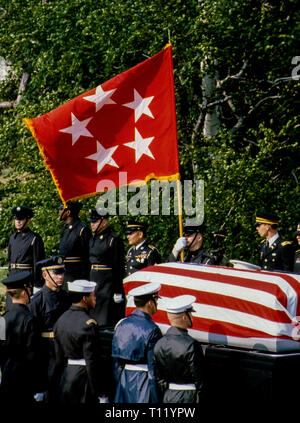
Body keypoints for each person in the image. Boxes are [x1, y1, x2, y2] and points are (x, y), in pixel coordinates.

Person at [53, 280, 105, 404]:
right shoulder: (88, 323)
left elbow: (58, 357)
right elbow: (92, 361)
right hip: (84, 377)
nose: (95, 298)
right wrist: (98, 391)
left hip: (67, 376)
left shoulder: (61, 319)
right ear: (84, 298)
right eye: (92, 295)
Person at [29, 256, 71, 402]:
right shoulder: (37, 301)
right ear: (45, 275)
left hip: (64, 347)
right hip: (46, 351)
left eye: (61, 273)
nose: (60, 277)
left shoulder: (66, 297)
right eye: (56, 273)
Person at [112, 282, 162, 403]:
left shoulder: (121, 324)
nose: (157, 304)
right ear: (150, 303)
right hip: (143, 382)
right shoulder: (153, 329)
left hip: (124, 380)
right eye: (156, 300)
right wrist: (156, 398)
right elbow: (153, 369)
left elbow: (116, 363)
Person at [153, 295, 205, 403]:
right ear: (184, 317)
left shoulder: (159, 343)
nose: (192, 317)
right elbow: (200, 379)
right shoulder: (191, 344)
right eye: (190, 314)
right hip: (189, 397)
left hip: (168, 396)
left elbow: (159, 378)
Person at [0, 272, 42, 404]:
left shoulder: (3, 318)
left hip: (7, 374)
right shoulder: (29, 320)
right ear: (24, 293)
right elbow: (33, 354)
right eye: (29, 289)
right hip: (24, 378)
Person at [88, 208, 125, 327]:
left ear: (104, 222)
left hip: (107, 285)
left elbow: (118, 267)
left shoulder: (113, 239)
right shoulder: (92, 239)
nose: (92, 224)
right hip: (94, 281)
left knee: (106, 318)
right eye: (91, 222)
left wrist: (118, 290)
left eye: (95, 221)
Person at [7, 205, 45, 291]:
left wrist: (37, 284)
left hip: (26, 278)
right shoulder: (13, 237)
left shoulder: (34, 238)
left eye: (21, 219)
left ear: (28, 221)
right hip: (13, 276)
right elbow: (9, 259)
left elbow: (38, 263)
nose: (18, 222)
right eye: (16, 219)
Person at [59, 201, 92, 286]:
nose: (59, 212)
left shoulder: (82, 229)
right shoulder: (64, 229)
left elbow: (88, 255)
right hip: (65, 273)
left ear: (68, 212)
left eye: (61, 209)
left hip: (78, 274)